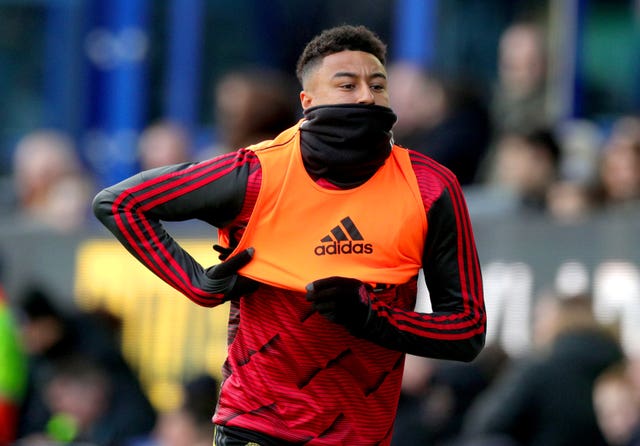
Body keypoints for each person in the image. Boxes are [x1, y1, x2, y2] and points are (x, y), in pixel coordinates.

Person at [93, 24, 486, 445]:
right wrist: (196, 283)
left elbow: (466, 331)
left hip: (362, 437)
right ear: (308, 101)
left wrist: (371, 317)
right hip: (257, 427)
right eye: (347, 84)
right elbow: (118, 202)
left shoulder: (430, 187)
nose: (366, 97)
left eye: (378, 84)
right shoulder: (257, 174)